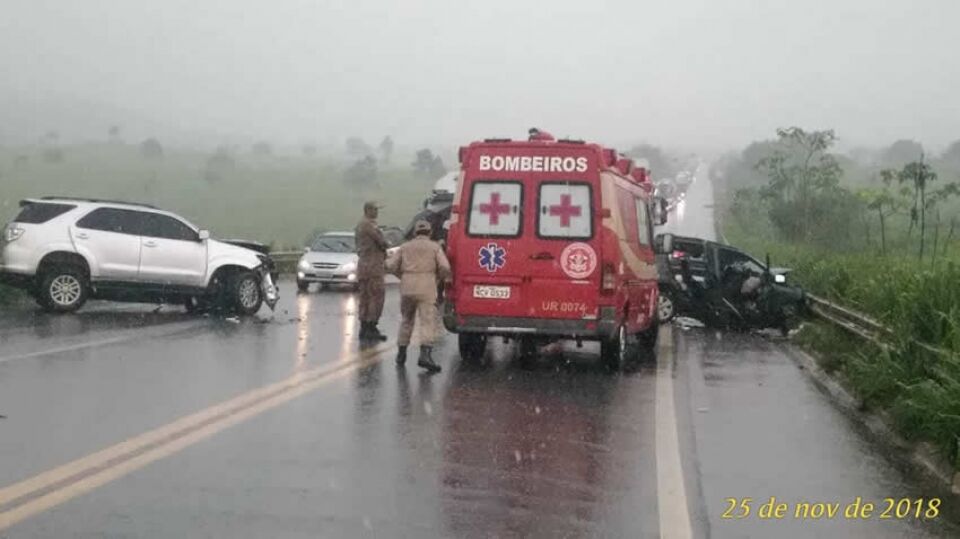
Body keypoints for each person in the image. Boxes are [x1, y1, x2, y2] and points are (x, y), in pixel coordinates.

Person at [386, 220, 451, 372]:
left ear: (415, 233)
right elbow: (445, 267)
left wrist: (402, 276)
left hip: (407, 286)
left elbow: (390, 265)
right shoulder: (434, 247)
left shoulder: (405, 247)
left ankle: (401, 354)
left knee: (407, 320)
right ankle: (425, 355)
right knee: (427, 322)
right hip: (427, 286)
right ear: (430, 232)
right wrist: (438, 278)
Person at [355, 201, 389, 341]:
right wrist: (386, 244)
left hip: (363, 265)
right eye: (375, 209)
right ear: (368, 210)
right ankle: (371, 326)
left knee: (365, 297)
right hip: (373, 266)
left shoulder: (359, 225)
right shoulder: (369, 225)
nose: (377, 212)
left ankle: (365, 327)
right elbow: (382, 242)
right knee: (376, 296)